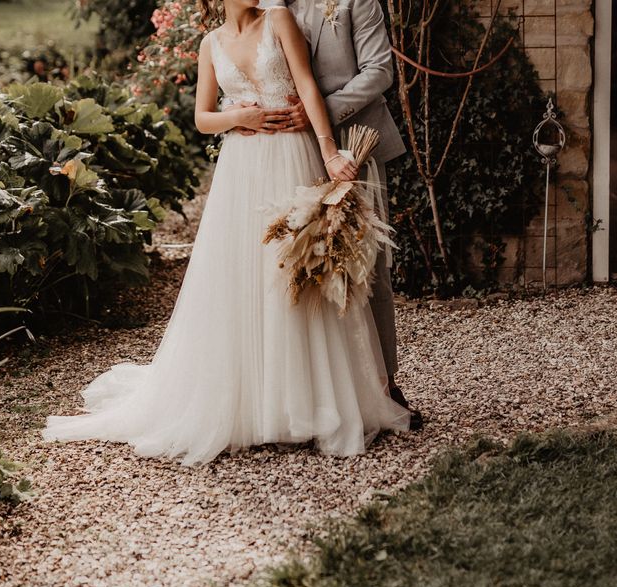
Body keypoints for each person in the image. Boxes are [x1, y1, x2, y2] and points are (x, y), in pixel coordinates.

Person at [43, 0, 410, 465]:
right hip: (242, 167)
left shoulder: (280, 19)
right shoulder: (209, 42)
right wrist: (239, 118)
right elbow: (202, 118)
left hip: (295, 156)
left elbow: (310, 89)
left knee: (305, 271)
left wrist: (329, 150)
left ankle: (324, 395)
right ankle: (255, 399)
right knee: (244, 276)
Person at [235, 0, 422, 428]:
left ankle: (384, 386)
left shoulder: (359, 2)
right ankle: (312, 391)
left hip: (355, 145)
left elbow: (379, 72)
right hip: (288, 152)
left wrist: (320, 108)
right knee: (294, 268)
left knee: (368, 268)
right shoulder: (265, 4)